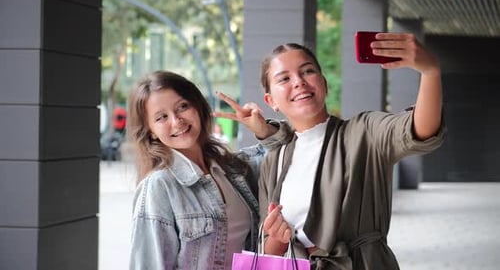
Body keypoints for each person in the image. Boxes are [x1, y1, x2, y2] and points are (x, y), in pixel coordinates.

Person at [242, 33, 444, 269]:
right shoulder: (275, 159)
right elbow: (268, 246)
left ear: (324, 84)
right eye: (284, 78)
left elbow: (421, 130)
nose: (299, 81)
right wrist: (276, 241)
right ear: (271, 100)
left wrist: (430, 72)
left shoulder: (364, 132)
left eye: (307, 71)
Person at [126, 70, 290, 270]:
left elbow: (286, 152)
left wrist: (262, 129)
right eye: (161, 117)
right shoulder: (158, 186)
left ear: (198, 107)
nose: (177, 121)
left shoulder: (233, 169)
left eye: (183, 107)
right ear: (150, 129)